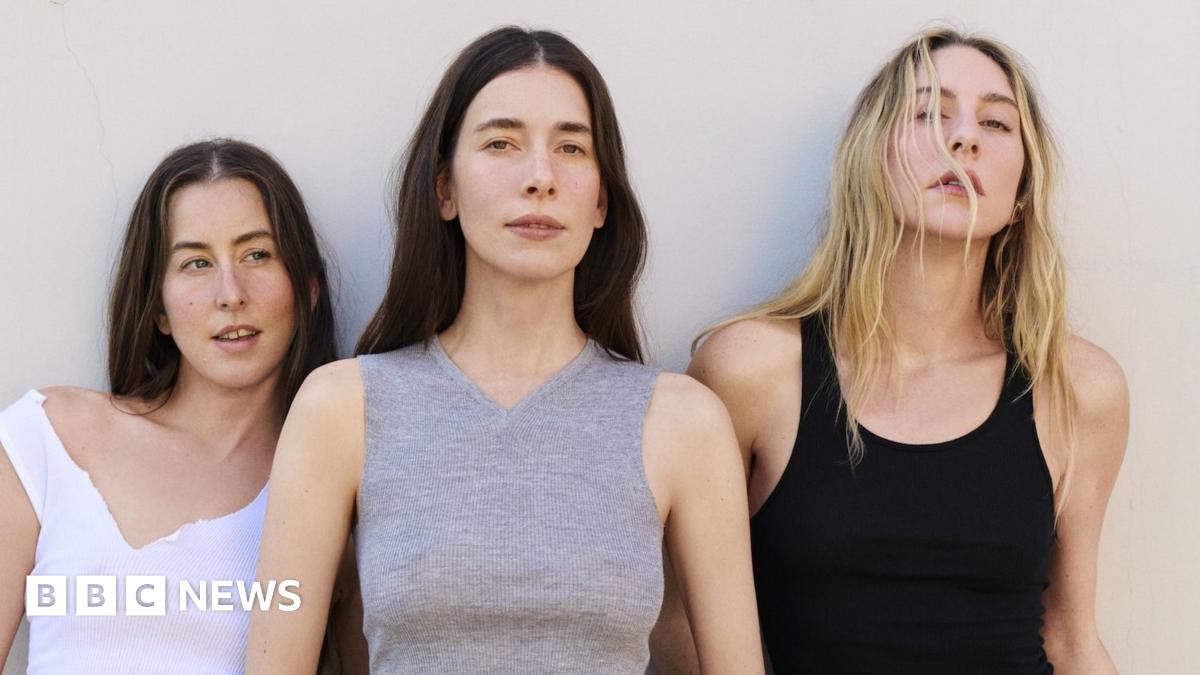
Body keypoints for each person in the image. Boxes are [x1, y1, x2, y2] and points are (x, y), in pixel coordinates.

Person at [247, 26, 762, 673]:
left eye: (571, 147)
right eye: (501, 143)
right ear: (444, 189)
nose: (540, 177)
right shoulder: (340, 407)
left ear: (601, 199)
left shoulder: (683, 422)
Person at [687, 28, 1128, 673]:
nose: (964, 139)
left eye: (996, 123)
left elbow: (1071, 639)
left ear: (1022, 194)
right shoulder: (749, 370)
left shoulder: (1078, 387)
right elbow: (681, 625)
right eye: (928, 114)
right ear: (872, 158)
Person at [0, 139, 339, 674]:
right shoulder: (45, 437)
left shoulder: (337, 488)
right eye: (196, 263)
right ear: (158, 307)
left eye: (257, 254)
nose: (230, 293)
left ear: (309, 289)